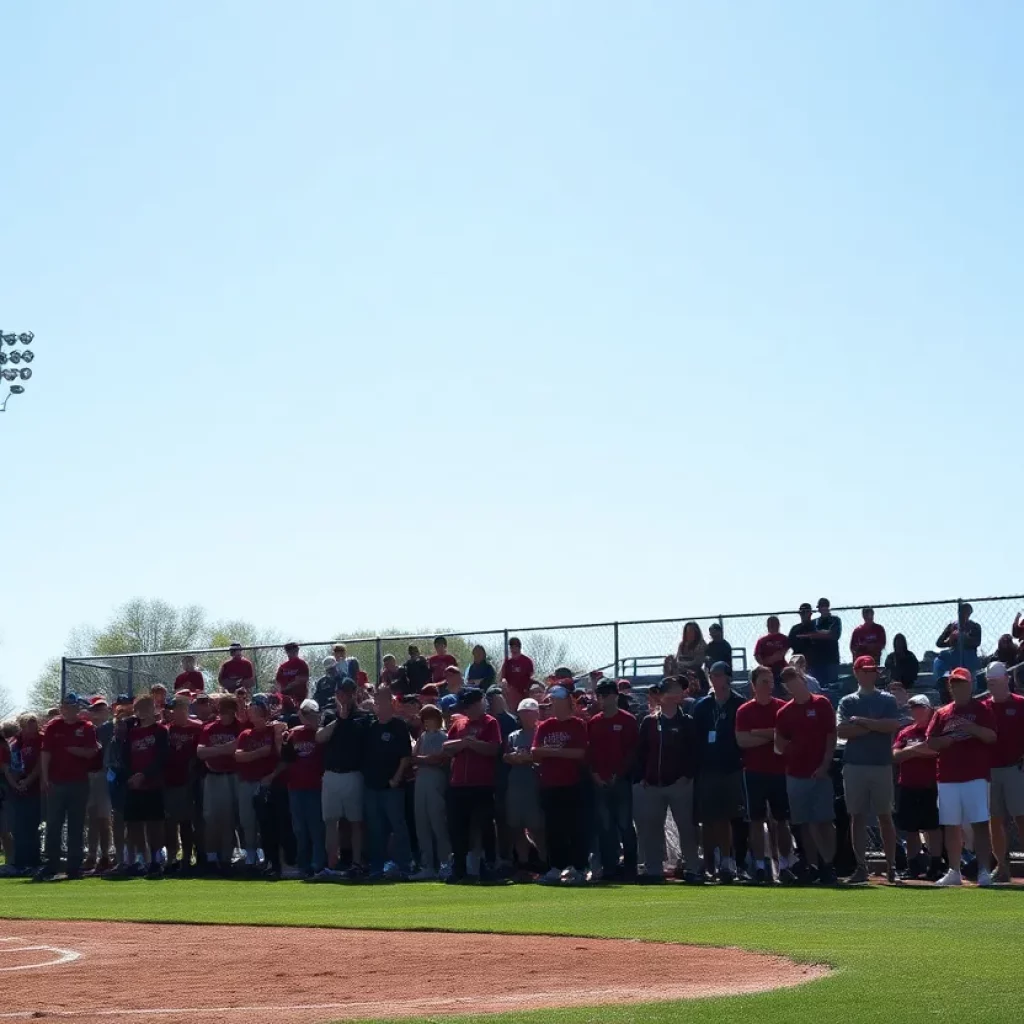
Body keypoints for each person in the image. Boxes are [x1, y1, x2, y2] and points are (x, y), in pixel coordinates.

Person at [926, 666, 997, 886]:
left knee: (980, 823)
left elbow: (992, 736)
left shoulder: (983, 709)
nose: (957, 688)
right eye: (954, 684)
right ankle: (954, 870)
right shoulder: (942, 712)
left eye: (961, 683)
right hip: (947, 776)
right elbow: (931, 741)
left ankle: (984, 870)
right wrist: (945, 741)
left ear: (970, 685)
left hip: (975, 775)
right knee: (951, 824)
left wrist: (971, 728)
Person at [836, 656, 901, 884]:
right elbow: (843, 731)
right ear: (856, 672)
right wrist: (875, 726)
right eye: (864, 670)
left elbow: (892, 726)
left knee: (885, 816)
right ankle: (861, 867)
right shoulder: (847, 701)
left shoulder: (887, 699)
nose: (869, 674)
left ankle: (892, 867)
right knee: (857, 817)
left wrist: (863, 722)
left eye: (872, 670)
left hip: (881, 764)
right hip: (855, 765)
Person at [633, 677, 702, 883]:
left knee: (687, 828)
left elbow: (695, 753)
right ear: (662, 696)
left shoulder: (687, 722)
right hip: (653, 785)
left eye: (679, 690)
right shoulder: (649, 722)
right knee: (653, 829)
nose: (677, 693)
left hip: (680, 785)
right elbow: (641, 753)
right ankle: (654, 869)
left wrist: (687, 776)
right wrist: (643, 777)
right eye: (672, 690)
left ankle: (692, 868)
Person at [774, 666, 838, 885]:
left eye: (795, 679)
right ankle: (813, 866)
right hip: (796, 774)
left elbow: (831, 737)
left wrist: (824, 765)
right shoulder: (784, 712)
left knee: (824, 821)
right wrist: (791, 747)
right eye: (788, 682)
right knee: (805, 823)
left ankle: (828, 864)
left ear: (803, 679)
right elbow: (778, 745)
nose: (793, 685)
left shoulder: (822, 704)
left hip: (820, 773)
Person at [736, 666, 795, 885]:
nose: (769, 685)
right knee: (756, 820)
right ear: (753, 684)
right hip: (753, 772)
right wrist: (771, 735)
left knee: (781, 820)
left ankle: (786, 866)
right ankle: (760, 867)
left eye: (771, 681)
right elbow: (742, 740)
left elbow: (785, 738)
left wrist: (759, 733)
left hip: (779, 772)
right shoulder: (744, 710)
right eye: (764, 681)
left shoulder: (782, 708)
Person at [34, 692, 99, 881]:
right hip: (56, 782)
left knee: (76, 825)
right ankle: (51, 864)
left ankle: (74, 866)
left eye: (73, 707)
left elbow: (91, 752)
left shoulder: (86, 727)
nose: (69, 710)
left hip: (79, 782)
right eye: (66, 707)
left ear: (77, 709)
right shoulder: (54, 726)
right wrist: (44, 778)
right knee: (53, 824)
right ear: (62, 708)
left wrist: (75, 750)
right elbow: (45, 753)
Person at [692, 662, 746, 883]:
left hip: (731, 768)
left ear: (728, 678)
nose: (714, 678)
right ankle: (709, 864)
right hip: (706, 768)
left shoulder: (739, 704)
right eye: (711, 675)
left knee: (727, 817)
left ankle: (727, 861)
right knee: (708, 819)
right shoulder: (702, 706)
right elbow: (695, 737)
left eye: (719, 675)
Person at [443, 687, 501, 883]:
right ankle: (459, 868)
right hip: (458, 784)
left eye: (470, 706)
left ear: (479, 703)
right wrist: (465, 743)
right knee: (457, 828)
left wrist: (471, 744)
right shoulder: (459, 723)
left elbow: (493, 748)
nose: (466, 710)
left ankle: (489, 866)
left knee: (484, 826)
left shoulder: (489, 722)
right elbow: (447, 746)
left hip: (481, 784)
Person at [532, 685, 589, 884]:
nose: (552, 704)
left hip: (572, 784)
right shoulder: (545, 726)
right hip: (549, 784)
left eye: (556, 700)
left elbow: (580, 753)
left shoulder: (578, 724)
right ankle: (556, 867)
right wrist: (560, 752)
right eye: (551, 701)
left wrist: (553, 752)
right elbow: (535, 752)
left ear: (567, 702)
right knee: (553, 830)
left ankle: (579, 868)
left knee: (575, 828)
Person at [315, 680, 370, 879]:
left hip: (354, 774)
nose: (343, 696)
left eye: (347, 693)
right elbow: (320, 737)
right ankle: (332, 863)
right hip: (331, 774)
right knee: (331, 820)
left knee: (356, 821)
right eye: (340, 693)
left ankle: (356, 862)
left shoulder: (363, 717)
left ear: (354, 693)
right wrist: (339, 719)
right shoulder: (329, 714)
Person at [587, 678, 639, 882]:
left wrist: (619, 773)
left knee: (625, 825)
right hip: (600, 781)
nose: (602, 699)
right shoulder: (594, 722)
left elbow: (632, 751)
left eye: (605, 695)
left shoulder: (627, 720)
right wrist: (595, 774)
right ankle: (609, 868)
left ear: (615, 696)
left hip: (621, 781)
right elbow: (590, 752)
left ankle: (630, 869)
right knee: (605, 826)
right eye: (599, 695)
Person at [362, 687, 414, 880]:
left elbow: (405, 756)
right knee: (375, 828)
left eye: (381, 701)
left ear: (390, 703)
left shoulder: (399, 726)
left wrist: (396, 778)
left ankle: (404, 866)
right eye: (375, 702)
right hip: (371, 786)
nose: (378, 705)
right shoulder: (371, 727)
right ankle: (377, 867)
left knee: (398, 826)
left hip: (392, 787)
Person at [980, 662, 1024, 884]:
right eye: (990, 682)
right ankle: (1002, 866)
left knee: (1021, 817)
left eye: (996, 681)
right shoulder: (983, 707)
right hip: (990, 771)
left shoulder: (1020, 704)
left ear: (1006, 679)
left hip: (1016, 768)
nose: (993, 686)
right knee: (995, 820)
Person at [116, 695, 169, 878]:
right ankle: (140, 860)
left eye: (147, 708)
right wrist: (131, 776)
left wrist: (144, 775)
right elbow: (124, 758)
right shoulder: (131, 734)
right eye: (139, 709)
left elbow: (162, 757)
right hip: (134, 785)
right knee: (134, 824)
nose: (143, 712)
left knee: (155, 824)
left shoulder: (161, 731)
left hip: (153, 784)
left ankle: (156, 861)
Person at [893, 694, 943, 881]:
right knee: (910, 829)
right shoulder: (905, 732)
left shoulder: (935, 730)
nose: (916, 711)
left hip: (930, 785)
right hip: (907, 784)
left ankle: (936, 865)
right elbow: (896, 755)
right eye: (913, 708)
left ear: (929, 709)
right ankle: (912, 865)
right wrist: (917, 750)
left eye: (920, 707)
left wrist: (911, 752)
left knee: (933, 827)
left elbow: (935, 750)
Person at [196, 695, 244, 873]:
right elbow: (201, 752)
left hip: (232, 776)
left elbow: (236, 748)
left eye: (226, 710)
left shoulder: (239, 727)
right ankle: (211, 857)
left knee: (228, 819)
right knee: (210, 818)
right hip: (213, 776)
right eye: (221, 710)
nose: (223, 714)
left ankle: (226, 857)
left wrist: (214, 751)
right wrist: (223, 749)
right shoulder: (209, 728)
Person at [234, 695, 281, 872]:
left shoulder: (273, 730)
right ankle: (251, 855)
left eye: (257, 710)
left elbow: (272, 751)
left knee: (266, 822)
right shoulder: (246, 734)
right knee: (247, 820)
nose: (253, 714)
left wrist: (252, 754)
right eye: (251, 710)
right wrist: (259, 752)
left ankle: (266, 857)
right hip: (247, 781)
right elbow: (238, 755)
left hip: (266, 783)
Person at [280, 699, 326, 879]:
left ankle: (318, 863)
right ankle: (303, 865)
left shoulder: (321, 734)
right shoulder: (292, 734)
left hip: (316, 786)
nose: (308, 718)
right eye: (305, 714)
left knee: (316, 827)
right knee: (299, 829)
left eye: (311, 714)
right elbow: (286, 760)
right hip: (296, 787)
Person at [409, 704, 451, 881]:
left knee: (437, 822)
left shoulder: (443, 736)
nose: (427, 722)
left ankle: (445, 863)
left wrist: (422, 760)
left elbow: (439, 759)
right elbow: (414, 758)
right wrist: (424, 760)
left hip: (435, 780)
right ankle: (427, 865)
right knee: (422, 822)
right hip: (421, 780)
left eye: (429, 718)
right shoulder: (423, 736)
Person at [504, 698, 545, 874]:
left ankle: (544, 861)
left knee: (537, 826)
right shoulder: (513, 736)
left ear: (537, 713)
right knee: (516, 826)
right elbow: (505, 755)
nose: (526, 716)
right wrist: (513, 758)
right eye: (523, 713)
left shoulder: (541, 732)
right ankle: (523, 862)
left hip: (534, 783)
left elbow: (544, 756)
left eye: (529, 712)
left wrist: (529, 758)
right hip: (516, 783)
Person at [164, 695, 202, 874]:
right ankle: (173, 857)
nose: (176, 712)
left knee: (187, 822)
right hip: (170, 780)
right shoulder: (167, 730)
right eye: (173, 709)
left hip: (189, 781)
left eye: (179, 707)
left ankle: (188, 857)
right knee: (170, 821)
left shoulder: (197, 728)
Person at [8, 713, 43, 874]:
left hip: (37, 788)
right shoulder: (15, 743)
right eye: (28, 723)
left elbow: (40, 764)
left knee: (33, 826)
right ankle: (21, 863)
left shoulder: (41, 739)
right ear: (21, 726)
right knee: (19, 827)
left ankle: (34, 861)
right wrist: (17, 783)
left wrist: (27, 781)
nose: (32, 726)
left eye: (34, 723)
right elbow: (9, 766)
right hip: (18, 789)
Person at [84, 697, 114, 873]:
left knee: (104, 818)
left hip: (104, 775)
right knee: (91, 819)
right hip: (88, 775)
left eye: (101, 709)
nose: (98, 713)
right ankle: (92, 855)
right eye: (95, 710)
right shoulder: (87, 729)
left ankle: (105, 855)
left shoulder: (111, 727)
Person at [932, 604, 982, 686]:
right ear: (959, 613)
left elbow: (976, 643)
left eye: (967, 613)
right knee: (939, 660)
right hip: (954, 654)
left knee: (971, 666)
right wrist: (951, 640)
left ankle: (971, 686)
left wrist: (963, 637)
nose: (965, 615)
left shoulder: (975, 626)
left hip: (969, 656)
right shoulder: (952, 625)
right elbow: (939, 643)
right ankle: (941, 682)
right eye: (963, 613)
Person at [801, 598, 842, 689]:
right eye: (820, 607)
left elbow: (834, 635)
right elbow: (809, 635)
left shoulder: (835, 620)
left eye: (824, 606)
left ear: (827, 607)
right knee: (818, 687)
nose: (822, 609)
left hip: (832, 659)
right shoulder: (815, 622)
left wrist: (818, 634)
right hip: (817, 661)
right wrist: (822, 633)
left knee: (832, 687)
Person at [754, 616, 791, 689]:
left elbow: (781, 654)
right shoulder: (762, 640)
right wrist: (764, 663)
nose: (772, 626)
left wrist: (770, 660)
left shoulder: (784, 638)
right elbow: (757, 655)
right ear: (767, 626)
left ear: (778, 625)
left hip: (781, 669)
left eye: (774, 624)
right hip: (767, 670)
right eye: (770, 624)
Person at [500, 638, 535, 708]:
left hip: (524, 690)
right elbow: (502, 677)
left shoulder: (527, 661)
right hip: (510, 691)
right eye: (511, 647)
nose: (513, 649)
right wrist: (504, 681)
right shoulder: (508, 662)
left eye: (515, 647)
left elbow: (531, 675)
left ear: (519, 648)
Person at [675, 623, 707, 688]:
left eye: (692, 631)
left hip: (696, 673)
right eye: (688, 631)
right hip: (682, 673)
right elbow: (677, 660)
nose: (690, 633)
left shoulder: (701, 644)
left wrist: (684, 664)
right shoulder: (682, 645)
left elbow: (697, 662)